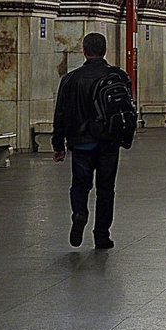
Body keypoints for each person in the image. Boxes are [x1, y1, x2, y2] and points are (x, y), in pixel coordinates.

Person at [52, 32, 131, 250]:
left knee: (80, 184)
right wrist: (126, 137)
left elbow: (60, 114)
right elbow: (128, 109)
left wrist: (58, 145)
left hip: (80, 142)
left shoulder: (70, 79)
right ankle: (102, 235)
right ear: (105, 51)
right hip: (109, 142)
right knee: (106, 189)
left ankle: (79, 212)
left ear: (84, 51)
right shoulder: (118, 76)